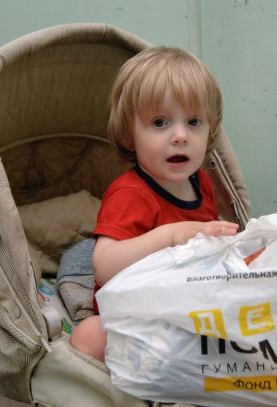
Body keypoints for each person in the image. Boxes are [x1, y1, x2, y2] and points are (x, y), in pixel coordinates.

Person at [69, 46, 239, 362]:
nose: (180, 136)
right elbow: (104, 267)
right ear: (129, 135)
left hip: (185, 303)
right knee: (89, 335)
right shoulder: (130, 195)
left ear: (210, 129)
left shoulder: (201, 182)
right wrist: (170, 236)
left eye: (193, 121)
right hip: (135, 314)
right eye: (160, 123)